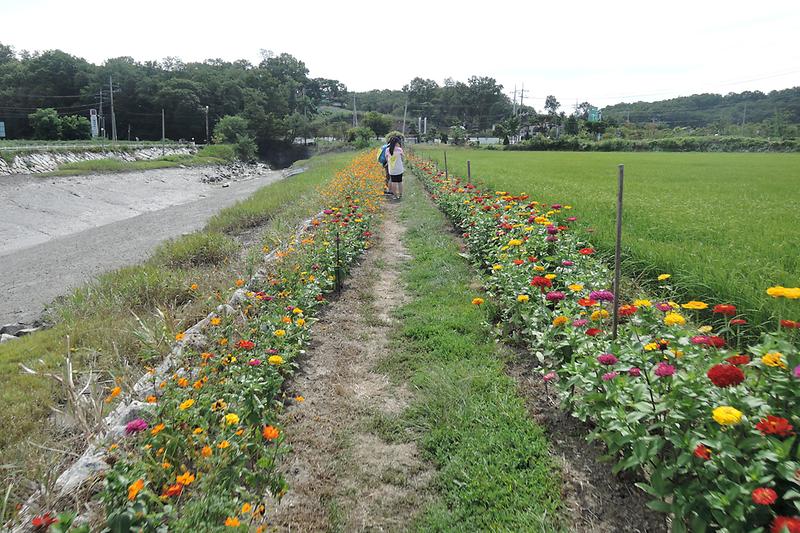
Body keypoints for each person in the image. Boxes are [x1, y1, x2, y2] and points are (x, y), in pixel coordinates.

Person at [386, 136, 404, 200]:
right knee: (400, 182)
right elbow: (402, 159)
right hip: (399, 168)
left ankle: (396, 196)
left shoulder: (387, 150)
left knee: (394, 182)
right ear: (397, 143)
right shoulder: (399, 149)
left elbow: (386, 159)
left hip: (392, 169)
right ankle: (400, 194)